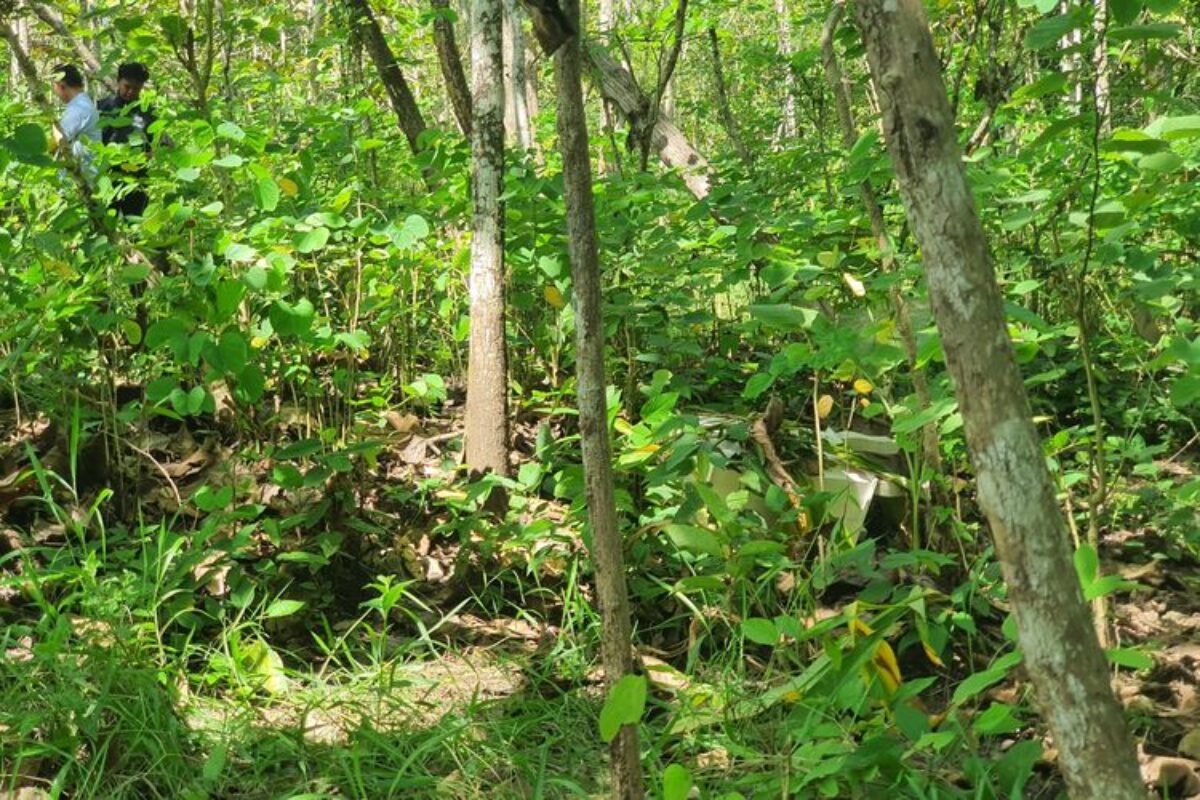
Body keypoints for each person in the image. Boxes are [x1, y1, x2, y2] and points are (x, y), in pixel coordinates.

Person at [98, 62, 159, 218]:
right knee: (103, 225)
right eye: (127, 86)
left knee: (135, 226)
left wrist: (152, 154)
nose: (131, 92)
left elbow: (158, 144)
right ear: (118, 81)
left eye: (136, 89)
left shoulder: (148, 113)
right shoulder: (102, 108)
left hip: (137, 180)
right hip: (107, 178)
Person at [50, 64, 101, 180]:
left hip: (81, 178)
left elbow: (58, 141)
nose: (55, 92)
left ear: (61, 86)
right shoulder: (82, 104)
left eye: (54, 87)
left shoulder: (78, 108)